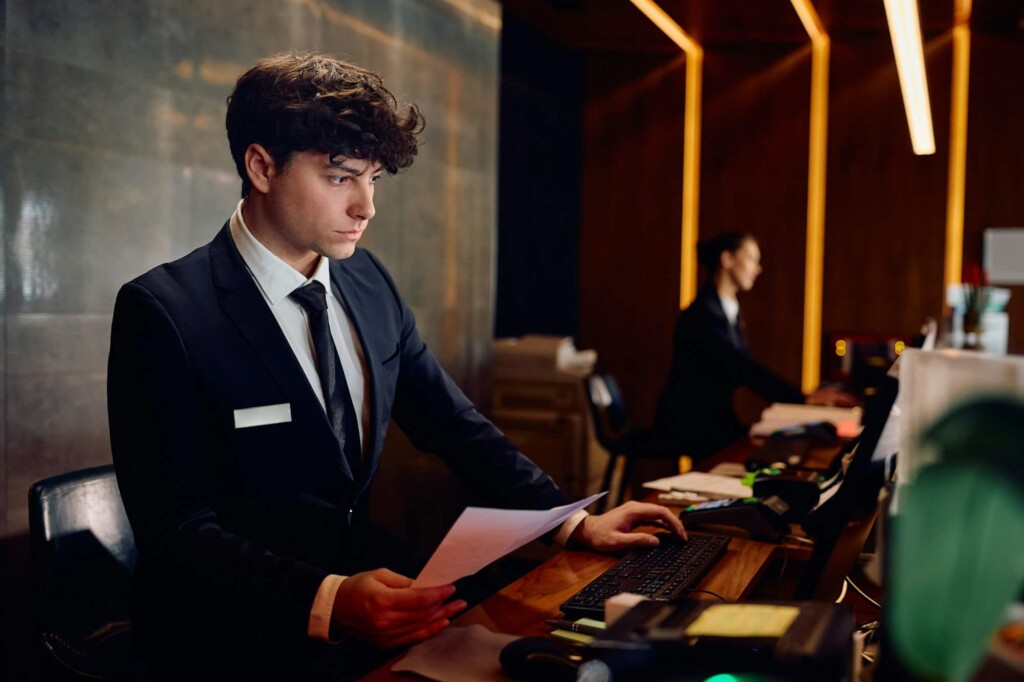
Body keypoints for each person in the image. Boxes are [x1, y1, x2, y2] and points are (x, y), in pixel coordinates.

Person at [106, 52, 684, 680]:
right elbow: (177, 530)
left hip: (368, 617)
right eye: (341, 177)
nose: (366, 206)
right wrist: (326, 598)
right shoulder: (162, 311)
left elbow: (451, 422)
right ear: (261, 166)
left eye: (374, 178)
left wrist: (572, 521)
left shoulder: (368, 283)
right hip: (225, 641)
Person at [652, 232, 854, 460]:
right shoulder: (702, 314)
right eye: (751, 258)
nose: (757, 269)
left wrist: (801, 398)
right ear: (727, 259)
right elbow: (742, 368)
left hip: (716, 419)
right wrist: (800, 398)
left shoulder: (729, 310)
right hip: (690, 421)